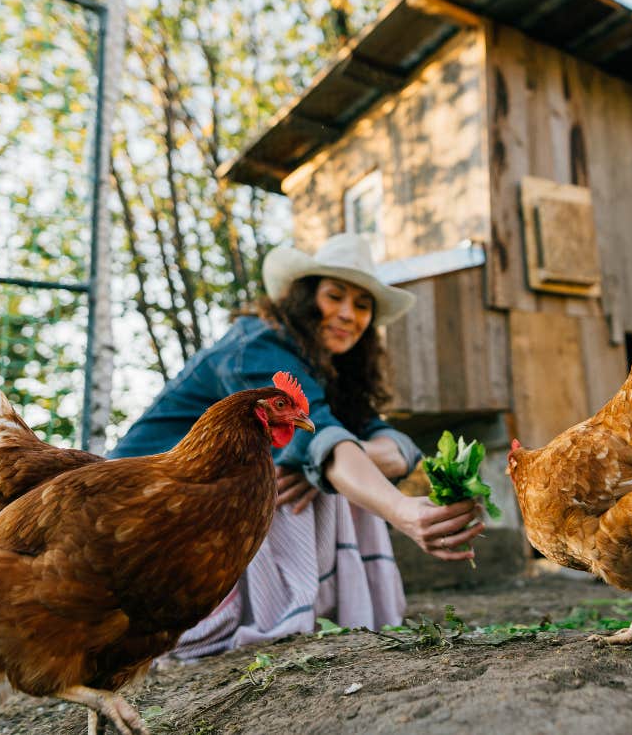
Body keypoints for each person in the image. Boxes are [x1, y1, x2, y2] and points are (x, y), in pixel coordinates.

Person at [110, 232, 484, 656]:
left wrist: (332, 461)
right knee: (323, 472)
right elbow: (325, 440)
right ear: (305, 298)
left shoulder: (329, 367)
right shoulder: (258, 347)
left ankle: (317, 607)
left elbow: (394, 445)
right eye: (335, 296)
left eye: (362, 306)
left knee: (330, 469)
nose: (347, 314)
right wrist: (402, 511)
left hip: (197, 509)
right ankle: (246, 618)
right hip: (135, 518)